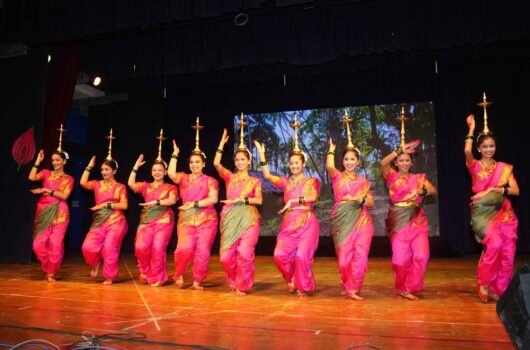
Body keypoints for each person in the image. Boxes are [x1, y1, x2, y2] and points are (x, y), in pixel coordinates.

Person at [254, 115, 320, 298]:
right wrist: (261, 156)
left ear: (303, 164)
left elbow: (313, 196)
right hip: (289, 223)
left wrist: (294, 201)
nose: (294, 165)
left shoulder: (311, 181)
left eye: (297, 163)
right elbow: (267, 176)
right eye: (291, 163)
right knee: (279, 255)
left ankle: (303, 286)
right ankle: (290, 279)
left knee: (301, 257)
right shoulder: (285, 182)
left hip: (307, 222)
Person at [464, 113, 519, 302]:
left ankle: (499, 289)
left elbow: (515, 190)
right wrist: (471, 129)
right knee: (494, 244)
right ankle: (485, 282)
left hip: (504, 214)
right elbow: (466, 152)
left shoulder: (504, 168)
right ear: (479, 148)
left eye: (492, 146)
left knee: (508, 252)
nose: (489, 149)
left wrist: (494, 189)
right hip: (482, 215)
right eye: (485, 146)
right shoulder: (475, 166)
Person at [380, 130, 436, 300]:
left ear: (411, 162)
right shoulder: (392, 176)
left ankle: (409, 288)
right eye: (401, 160)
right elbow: (383, 163)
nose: (404, 163)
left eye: (407, 160)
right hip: (398, 221)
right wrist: (399, 150)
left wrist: (421, 190)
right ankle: (402, 287)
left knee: (421, 256)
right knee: (399, 260)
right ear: (396, 163)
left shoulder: (419, 178)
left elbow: (433, 190)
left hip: (417, 220)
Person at [168, 118, 219, 290]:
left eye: (198, 162)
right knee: (184, 249)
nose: (194, 165)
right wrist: (175, 154)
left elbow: (213, 199)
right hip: (186, 219)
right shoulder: (183, 178)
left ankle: (198, 280)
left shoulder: (210, 180)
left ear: (204, 164)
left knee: (203, 251)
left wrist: (194, 204)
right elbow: (171, 173)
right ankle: (179, 273)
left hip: (207, 220)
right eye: (192, 162)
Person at [214, 125, 262, 295]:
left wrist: (243, 199)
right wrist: (221, 144)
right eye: (237, 160)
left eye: (243, 159)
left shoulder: (255, 181)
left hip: (249, 219)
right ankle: (235, 278)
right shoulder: (229, 177)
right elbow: (216, 163)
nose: (240, 162)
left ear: (249, 161)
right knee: (225, 257)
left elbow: (259, 200)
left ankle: (242, 284)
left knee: (244, 253)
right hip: (230, 219)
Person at [326, 133, 374, 300]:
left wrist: (358, 199)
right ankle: (348, 285)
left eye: (352, 159)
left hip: (362, 222)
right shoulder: (337, 177)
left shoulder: (363, 181)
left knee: (360, 257)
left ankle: (353, 288)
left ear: (358, 161)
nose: (349, 162)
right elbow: (330, 168)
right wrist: (331, 151)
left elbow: (371, 202)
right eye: (346, 159)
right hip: (341, 222)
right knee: (344, 260)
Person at [128, 131, 178, 287]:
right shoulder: (145, 186)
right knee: (141, 247)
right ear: (151, 172)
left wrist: (156, 202)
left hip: (164, 220)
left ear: (164, 172)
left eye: (160, 170)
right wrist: (135, 167)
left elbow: (171, 201)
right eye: (154, 170)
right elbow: (130, 184)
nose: (157, 172)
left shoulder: (171, 187)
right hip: (147, 221)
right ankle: (145, 271)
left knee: (157, 248)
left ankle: (158, 277)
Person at [80, 130, 128, 285]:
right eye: (102, 170)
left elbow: (124, 205)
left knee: (109, 248)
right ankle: (95, 263)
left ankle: (109, 276)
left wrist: (106, 205)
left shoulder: (120, 187)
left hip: (116, 221)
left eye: (107, 170)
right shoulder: (97, 184)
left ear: (114, 171)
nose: (104, 172)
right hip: (99, 222)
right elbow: (82, 183)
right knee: (87, 247)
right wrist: (89, 166)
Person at [28, 126, 74, 282]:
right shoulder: (46, 173)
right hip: (44, 211)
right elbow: (32, 177)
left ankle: (51, 272)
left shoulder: (68, 179)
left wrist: (47, 190)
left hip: (60, 213)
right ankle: (49, 266)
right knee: (37, 245)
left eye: (57, 160)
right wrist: (38, 161)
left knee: (55, 243)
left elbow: (64, 196)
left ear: (64, 161)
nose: (54, 162)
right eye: (53, 160)